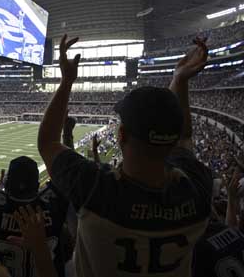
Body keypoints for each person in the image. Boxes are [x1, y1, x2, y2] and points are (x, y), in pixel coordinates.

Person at [38, 35, 213, 276]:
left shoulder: (96, 189)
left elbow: (47, 141)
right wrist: (179, 80)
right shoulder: (197, 190)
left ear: (121, 134)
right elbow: (183, 140)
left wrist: (67, 80)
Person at [0, 102, 68, 277]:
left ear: (7, 183)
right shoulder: (52, 206)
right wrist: (66, 132)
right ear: (37, 185)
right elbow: (67, 173)